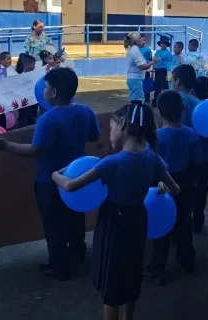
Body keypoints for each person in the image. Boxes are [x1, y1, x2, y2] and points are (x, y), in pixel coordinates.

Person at [52, 103, 179, 320]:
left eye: (110, 127)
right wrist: (158, 187)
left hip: (114, 224)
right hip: (138, 219)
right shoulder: (152, 157)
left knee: (111, 283)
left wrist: (56, 174)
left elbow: (71, 185)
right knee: (130, 275)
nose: (109, 133)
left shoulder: (113, 162)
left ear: (122, 124)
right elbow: (175, 189)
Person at [0, 68, 101, 281]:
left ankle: (59, 267)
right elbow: (94, 135)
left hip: (49, 181)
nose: (44, 90)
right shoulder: (85, 111)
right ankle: (78, 254)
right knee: (75, 218)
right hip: (77, 176)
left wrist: (6, 145)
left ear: (53, 92)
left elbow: (35, 150)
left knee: (54, 225)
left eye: (47, 87)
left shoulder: (48, 119)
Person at [146, 91, 198, 285]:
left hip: (163, 184)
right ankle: (187, 261)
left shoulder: (158, 136)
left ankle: (158, 268)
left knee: (162, 226)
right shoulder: (191, 133)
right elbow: (197, 159)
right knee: (184, 222)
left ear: (159, 111)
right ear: (183, 109)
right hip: (184, 182)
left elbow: (154, 163)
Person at [192, 76, 208, 233]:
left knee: (197, 191)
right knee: (203, 191)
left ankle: (196, 220)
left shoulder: (194, 108)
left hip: (198, 158)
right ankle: (198, 218)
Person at [124, 32, 158, 105]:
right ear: (136, 41)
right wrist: (152, 62)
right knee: (138, 101)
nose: (142, 40)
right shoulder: (135, 50)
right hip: (136, 79)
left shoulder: (132, 49)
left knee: (133, 100)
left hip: (134, 78)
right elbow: (142, 66)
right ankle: (136, 115)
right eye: (140, 38)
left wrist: (148, 68)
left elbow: (138, 66)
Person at [15, 54, 40, 128]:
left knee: (32, 119)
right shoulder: (19, 77)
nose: (34, 66)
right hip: (24, 103)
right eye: (33, 64)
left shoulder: (35, 75)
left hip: (33, 102)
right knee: (23, 119)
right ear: (26, 64)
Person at [152, 36, 173, 106]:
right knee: (157, 86)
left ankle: (166, 101)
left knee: (165, 86)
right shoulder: (157, 52)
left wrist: (169, 75)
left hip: (165, 71)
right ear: (160, 44)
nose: (163, 44)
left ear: (167, 45)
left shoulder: (168, 53)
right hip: (158, 71)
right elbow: (154, 61)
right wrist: (153, 67)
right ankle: (156, 99)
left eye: (165, 43)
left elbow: (170, 65)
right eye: (162, 43)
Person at [138, 34, 154, 104]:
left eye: (144, 40)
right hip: (138, 70)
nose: (143, 41)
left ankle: (147, 98)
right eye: (142, 40)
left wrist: (150, 68)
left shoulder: (147, 49)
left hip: (146, 69)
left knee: (146, 84)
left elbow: (150, 59)